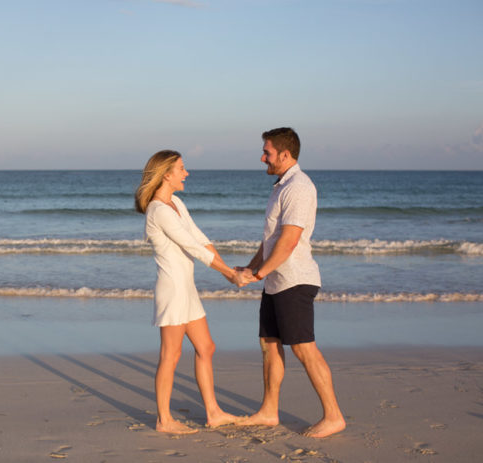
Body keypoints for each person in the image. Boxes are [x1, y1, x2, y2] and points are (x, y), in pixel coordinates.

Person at [237, 128, 346, 438]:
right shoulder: (280, 186)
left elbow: (288, 241)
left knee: (303, 349)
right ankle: (269, 412)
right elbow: (270, 240)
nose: (262, 157)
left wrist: (257, 274)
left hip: (295, 280)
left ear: (285, 154)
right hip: (275, 281)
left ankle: (334, 415)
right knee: (269, 344)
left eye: (267, 152)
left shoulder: (299, 187)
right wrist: (252, 267)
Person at [135, 150, 253, 434]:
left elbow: (200, 238)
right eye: (181, 168)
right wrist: (229, 273)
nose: (186, 173)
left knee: (206, 347)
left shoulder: (175, 202)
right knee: (171, 355)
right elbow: (191, 247)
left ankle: (213, 412)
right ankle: (164, 420)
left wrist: (229, 271)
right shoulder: (158, 210)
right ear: (167, 174)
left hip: (187, 288)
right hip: (173, 290)